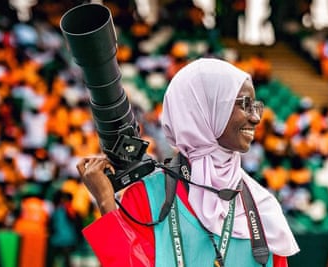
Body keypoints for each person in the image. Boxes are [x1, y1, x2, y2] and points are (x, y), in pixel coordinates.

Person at [77, 58, 299, 266]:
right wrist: (106, 202)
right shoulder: (148, 196)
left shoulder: (263, 208)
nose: (255, 117)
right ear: (205, 108)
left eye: (255, 106)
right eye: (244, 104)